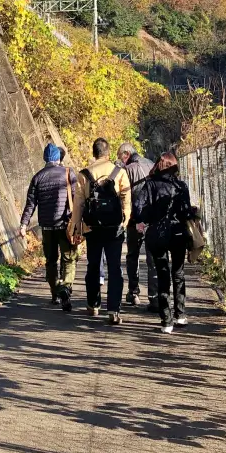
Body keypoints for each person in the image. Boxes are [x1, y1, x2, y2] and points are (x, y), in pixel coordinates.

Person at [70, 137, 131, 325]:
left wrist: (76, 228)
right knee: (115, 268)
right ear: (108, 153)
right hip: (114, 229)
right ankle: (113, 309)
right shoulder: (119, 172)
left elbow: (78, 204)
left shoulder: (84, 174)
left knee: (93, 265)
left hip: (92, 228)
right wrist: (125, 221)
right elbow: (126, 199)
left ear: (93, 153)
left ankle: (93, 304)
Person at [135, 152, 195, 333]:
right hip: (178, 233)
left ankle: (166, 320)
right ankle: (181, 314)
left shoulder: (150, 184)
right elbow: (186, 212)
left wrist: (144, 221)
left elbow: (139, 210)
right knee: (178, 273)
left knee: (162, 274)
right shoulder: (180, 186)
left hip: (157, 234)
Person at [19, 142, 80, 312]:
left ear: (45, 158)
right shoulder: (68, 173)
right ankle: (66, 288)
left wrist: (23, 224)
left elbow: (30, 204)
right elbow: (77, 199)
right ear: (58, 158)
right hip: (66, 225)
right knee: (68, 259)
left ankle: (55, 294)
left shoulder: (37, 177)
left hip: (46, 228)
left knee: (51, 261)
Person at [117, 142, 159, 309]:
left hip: (134, 219)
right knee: (152, 258)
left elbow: (124, 195)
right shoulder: (151, 163)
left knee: (133, 255)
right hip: (152, 220)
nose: (121, 161)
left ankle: (134, 292)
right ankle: (154, 297)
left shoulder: (128, 169)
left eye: (121, 157)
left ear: (126, 154)